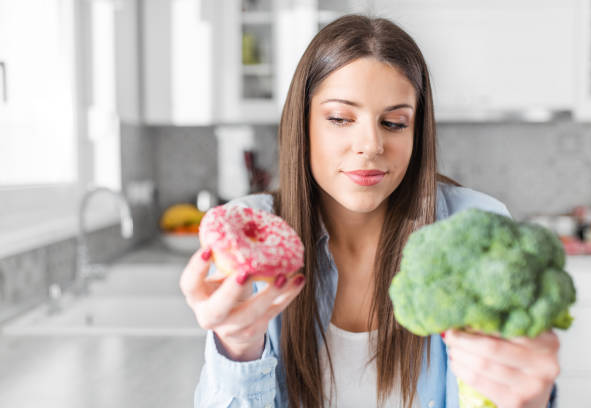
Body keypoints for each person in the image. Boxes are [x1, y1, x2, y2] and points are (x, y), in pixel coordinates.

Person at [180, 15, 560, 408]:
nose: (370, 144)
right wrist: (238, 347)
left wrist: (525, 397)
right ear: (303, 123)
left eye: (394, 123)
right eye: (340, 118)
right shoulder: (253, 245)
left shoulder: (476, 232)